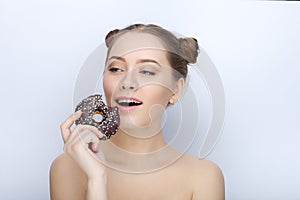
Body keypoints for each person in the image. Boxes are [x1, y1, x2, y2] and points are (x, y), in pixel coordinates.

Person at [50, 24, 225, 200]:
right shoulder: (68, 168)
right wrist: (96, 179)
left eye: (147, 71)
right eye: (116, 69)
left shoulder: (204, 176)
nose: (127, 82)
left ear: (176, 90)